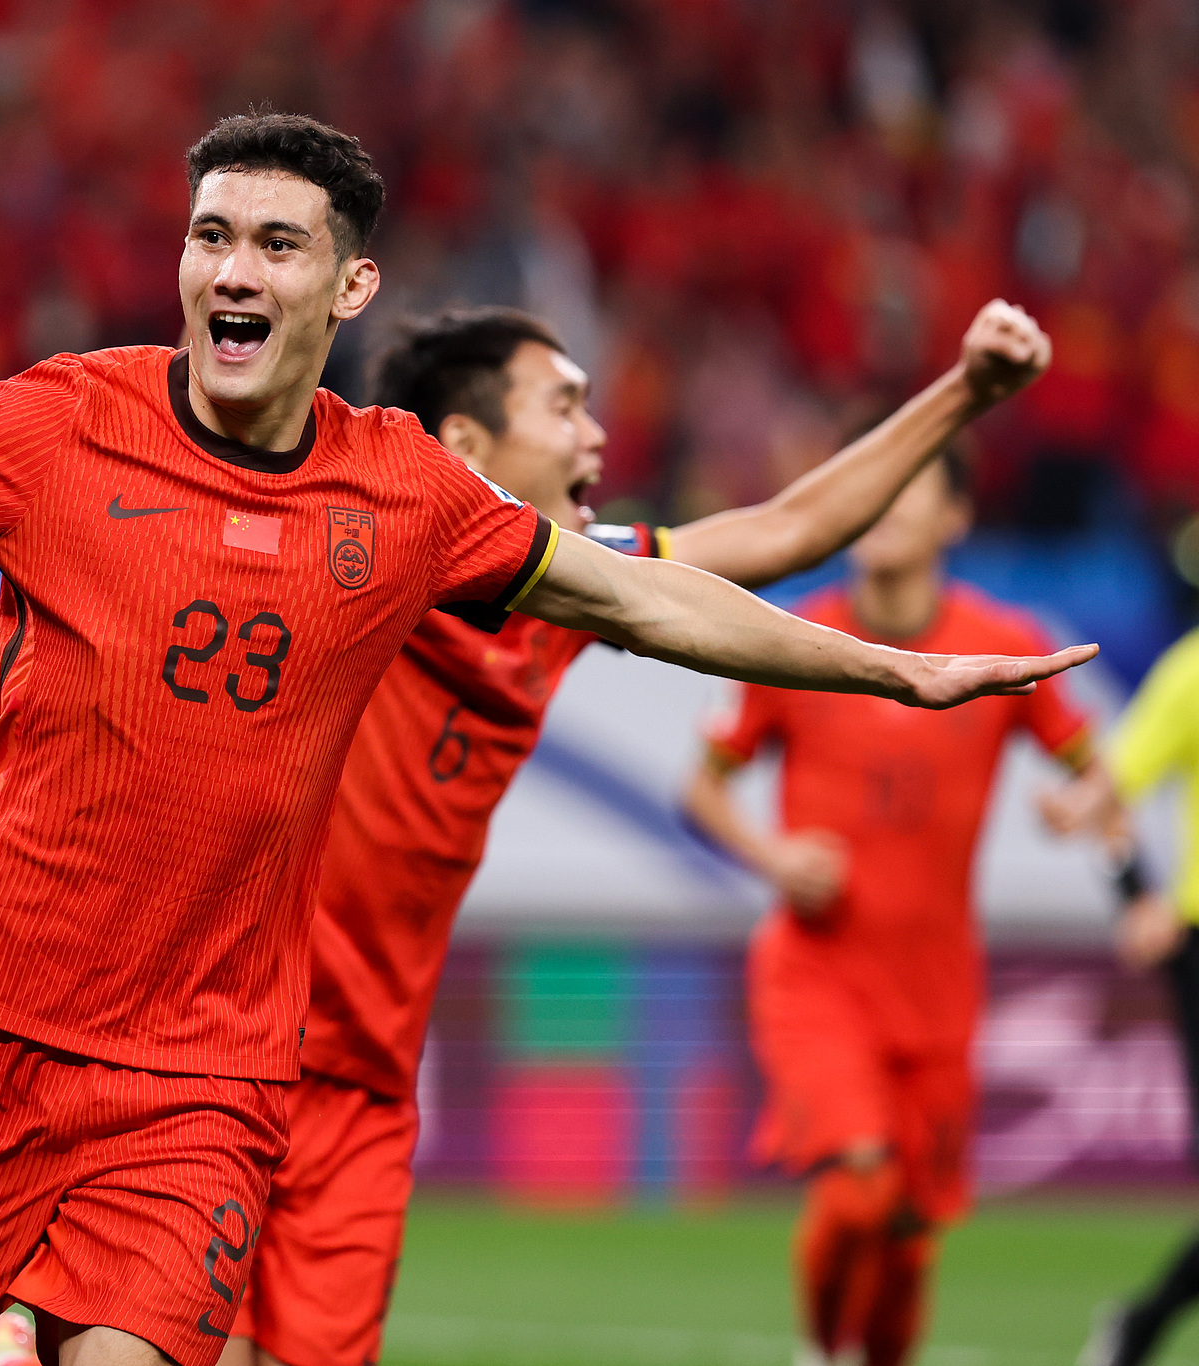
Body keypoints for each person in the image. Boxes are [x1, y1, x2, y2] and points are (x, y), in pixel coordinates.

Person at [0, 113, 1093, 1366]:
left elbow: (664, 595)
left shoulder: (410, 508)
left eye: (274, 242)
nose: (231, 265)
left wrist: (885, 671)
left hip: (224, 1064)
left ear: (342, 292)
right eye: (208, 233)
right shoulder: (57, 429)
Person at [221, 296, 1056, 1366]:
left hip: (369, 1090)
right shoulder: (349, 552)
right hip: (232, 1053)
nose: (596, 434)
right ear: (466, 444)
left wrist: (966, 393)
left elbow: (784, 530)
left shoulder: (565, 589)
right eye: (562, 406)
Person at [678, 452, 1118, 1366]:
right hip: (817, 972)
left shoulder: (998, 641)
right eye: (870, 493)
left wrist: (1079, 807)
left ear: (955, 519)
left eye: (906, 492)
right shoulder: (795, 640)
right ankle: (817, 1348)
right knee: (860, 1191)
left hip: (937, 991)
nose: (880, 511)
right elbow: (705, 790)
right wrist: (774, 855)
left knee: (911, 1235)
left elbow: (1098, 773)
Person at [1049, 631, 1199, 1366]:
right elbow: (1111, 786)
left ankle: (1139, 1330)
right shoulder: (1192, 672)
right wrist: (1135, 895)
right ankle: (1138, 1330)